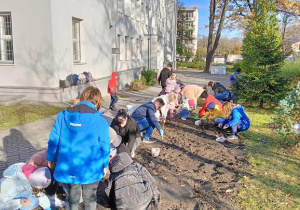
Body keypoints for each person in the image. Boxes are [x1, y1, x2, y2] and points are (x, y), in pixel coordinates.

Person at [46, 86, 111, 210]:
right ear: (98, 102)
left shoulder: (63, 116)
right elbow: (105, 147)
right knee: (90, 200)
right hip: (91, 168)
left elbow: (54, 140)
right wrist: (104, 164)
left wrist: (51, 159)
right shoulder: (100, 121)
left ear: (82, 98)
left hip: (68, 167)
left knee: (71, 199)